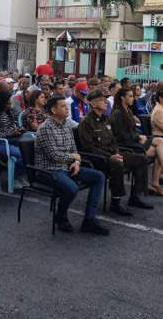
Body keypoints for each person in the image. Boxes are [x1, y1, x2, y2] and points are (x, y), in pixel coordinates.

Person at [35, 96, 109, 235]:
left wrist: (76, 162)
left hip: (66, 167)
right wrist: (73, 158)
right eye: (63, 106)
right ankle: (61, 216)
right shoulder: (45, 128)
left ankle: (89, 220)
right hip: (49, 170)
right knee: (72, 188)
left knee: (99, 176)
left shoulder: (66, 125)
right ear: (54, 110)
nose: (67, 108)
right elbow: (53, 155)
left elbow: (74, 150)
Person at [78, 90, 153, 216]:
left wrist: (117, 152)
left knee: (141, 159)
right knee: (117, 164)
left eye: (106, 99)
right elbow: (88, 147)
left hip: (112, 154)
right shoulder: (86, 122)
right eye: (102, 100)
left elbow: (113, 140)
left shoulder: (105, 120)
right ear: (93, 104)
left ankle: (135, 196)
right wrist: (110, 156)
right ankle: (116, 202)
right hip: (98, 158)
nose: (106, 101)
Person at [111, 88, 163, 196]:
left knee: (160, 143)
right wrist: (137, 137)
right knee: (160, 149)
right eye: (130, 96)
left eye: (133, 96)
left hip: (133, 141)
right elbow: (120, 135)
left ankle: (159, 180)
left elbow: (131, 131)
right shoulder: (118, 113)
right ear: (123, 98)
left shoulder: (128, 111)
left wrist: (138, 136)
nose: (133, 98)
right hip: (127, 145)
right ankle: (160, 178)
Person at [0, 91, 26, 187]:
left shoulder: (8, 112)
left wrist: (18, 130)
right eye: (7, 103)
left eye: (10, 103)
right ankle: (13, 177)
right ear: (1, 102)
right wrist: (9, 134)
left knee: (32, 152)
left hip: (14, 139)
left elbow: (12, 127)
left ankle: (19, 175)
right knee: (23, 155)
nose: (9, 105)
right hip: (2, 142)